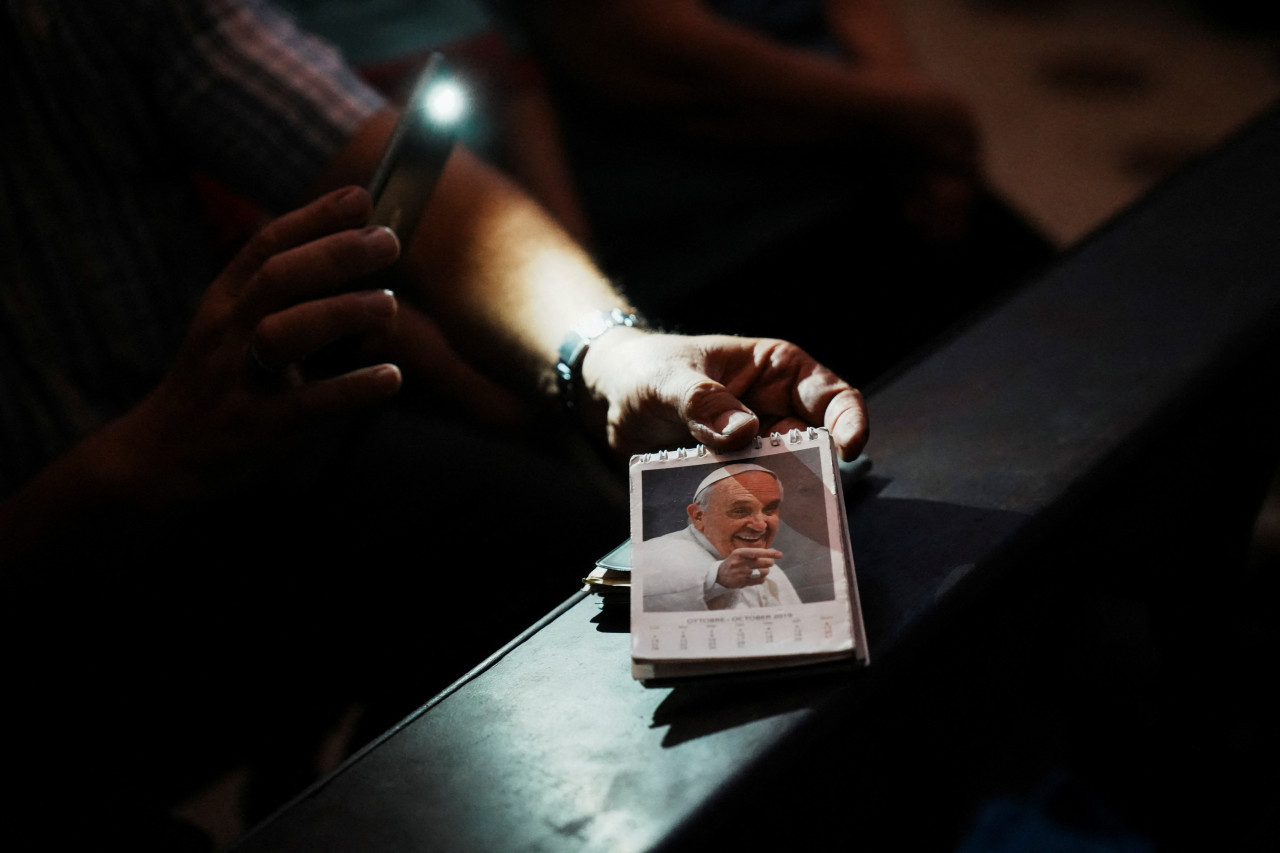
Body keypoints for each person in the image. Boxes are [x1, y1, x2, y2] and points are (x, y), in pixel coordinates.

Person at [0, 1, 866, 845]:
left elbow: (429, 196)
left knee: (573, 560)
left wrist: (612, 361)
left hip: (250, 461)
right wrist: (138, 459)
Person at [484, 0, 1058, 385]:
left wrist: (906, 115)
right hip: (715, 238)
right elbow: (666, 69)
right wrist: (911, 115)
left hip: (872, 155)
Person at [641, 463, 803, 611]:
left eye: (769, 510)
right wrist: (718, 578)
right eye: (740, 511)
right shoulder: (660, 551)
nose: (760, 525)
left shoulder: (768, 568)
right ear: (698, 516)